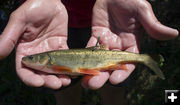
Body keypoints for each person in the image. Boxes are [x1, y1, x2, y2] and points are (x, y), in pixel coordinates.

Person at [0, 0, 178, 105]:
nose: (28, 60)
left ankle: (144, 60)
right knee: (64, 88)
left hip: (110, 19)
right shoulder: (50, 59)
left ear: (43, 59)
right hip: (55, 24)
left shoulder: (51, 62)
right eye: (31, 59)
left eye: (32, 58)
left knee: (114, 86)